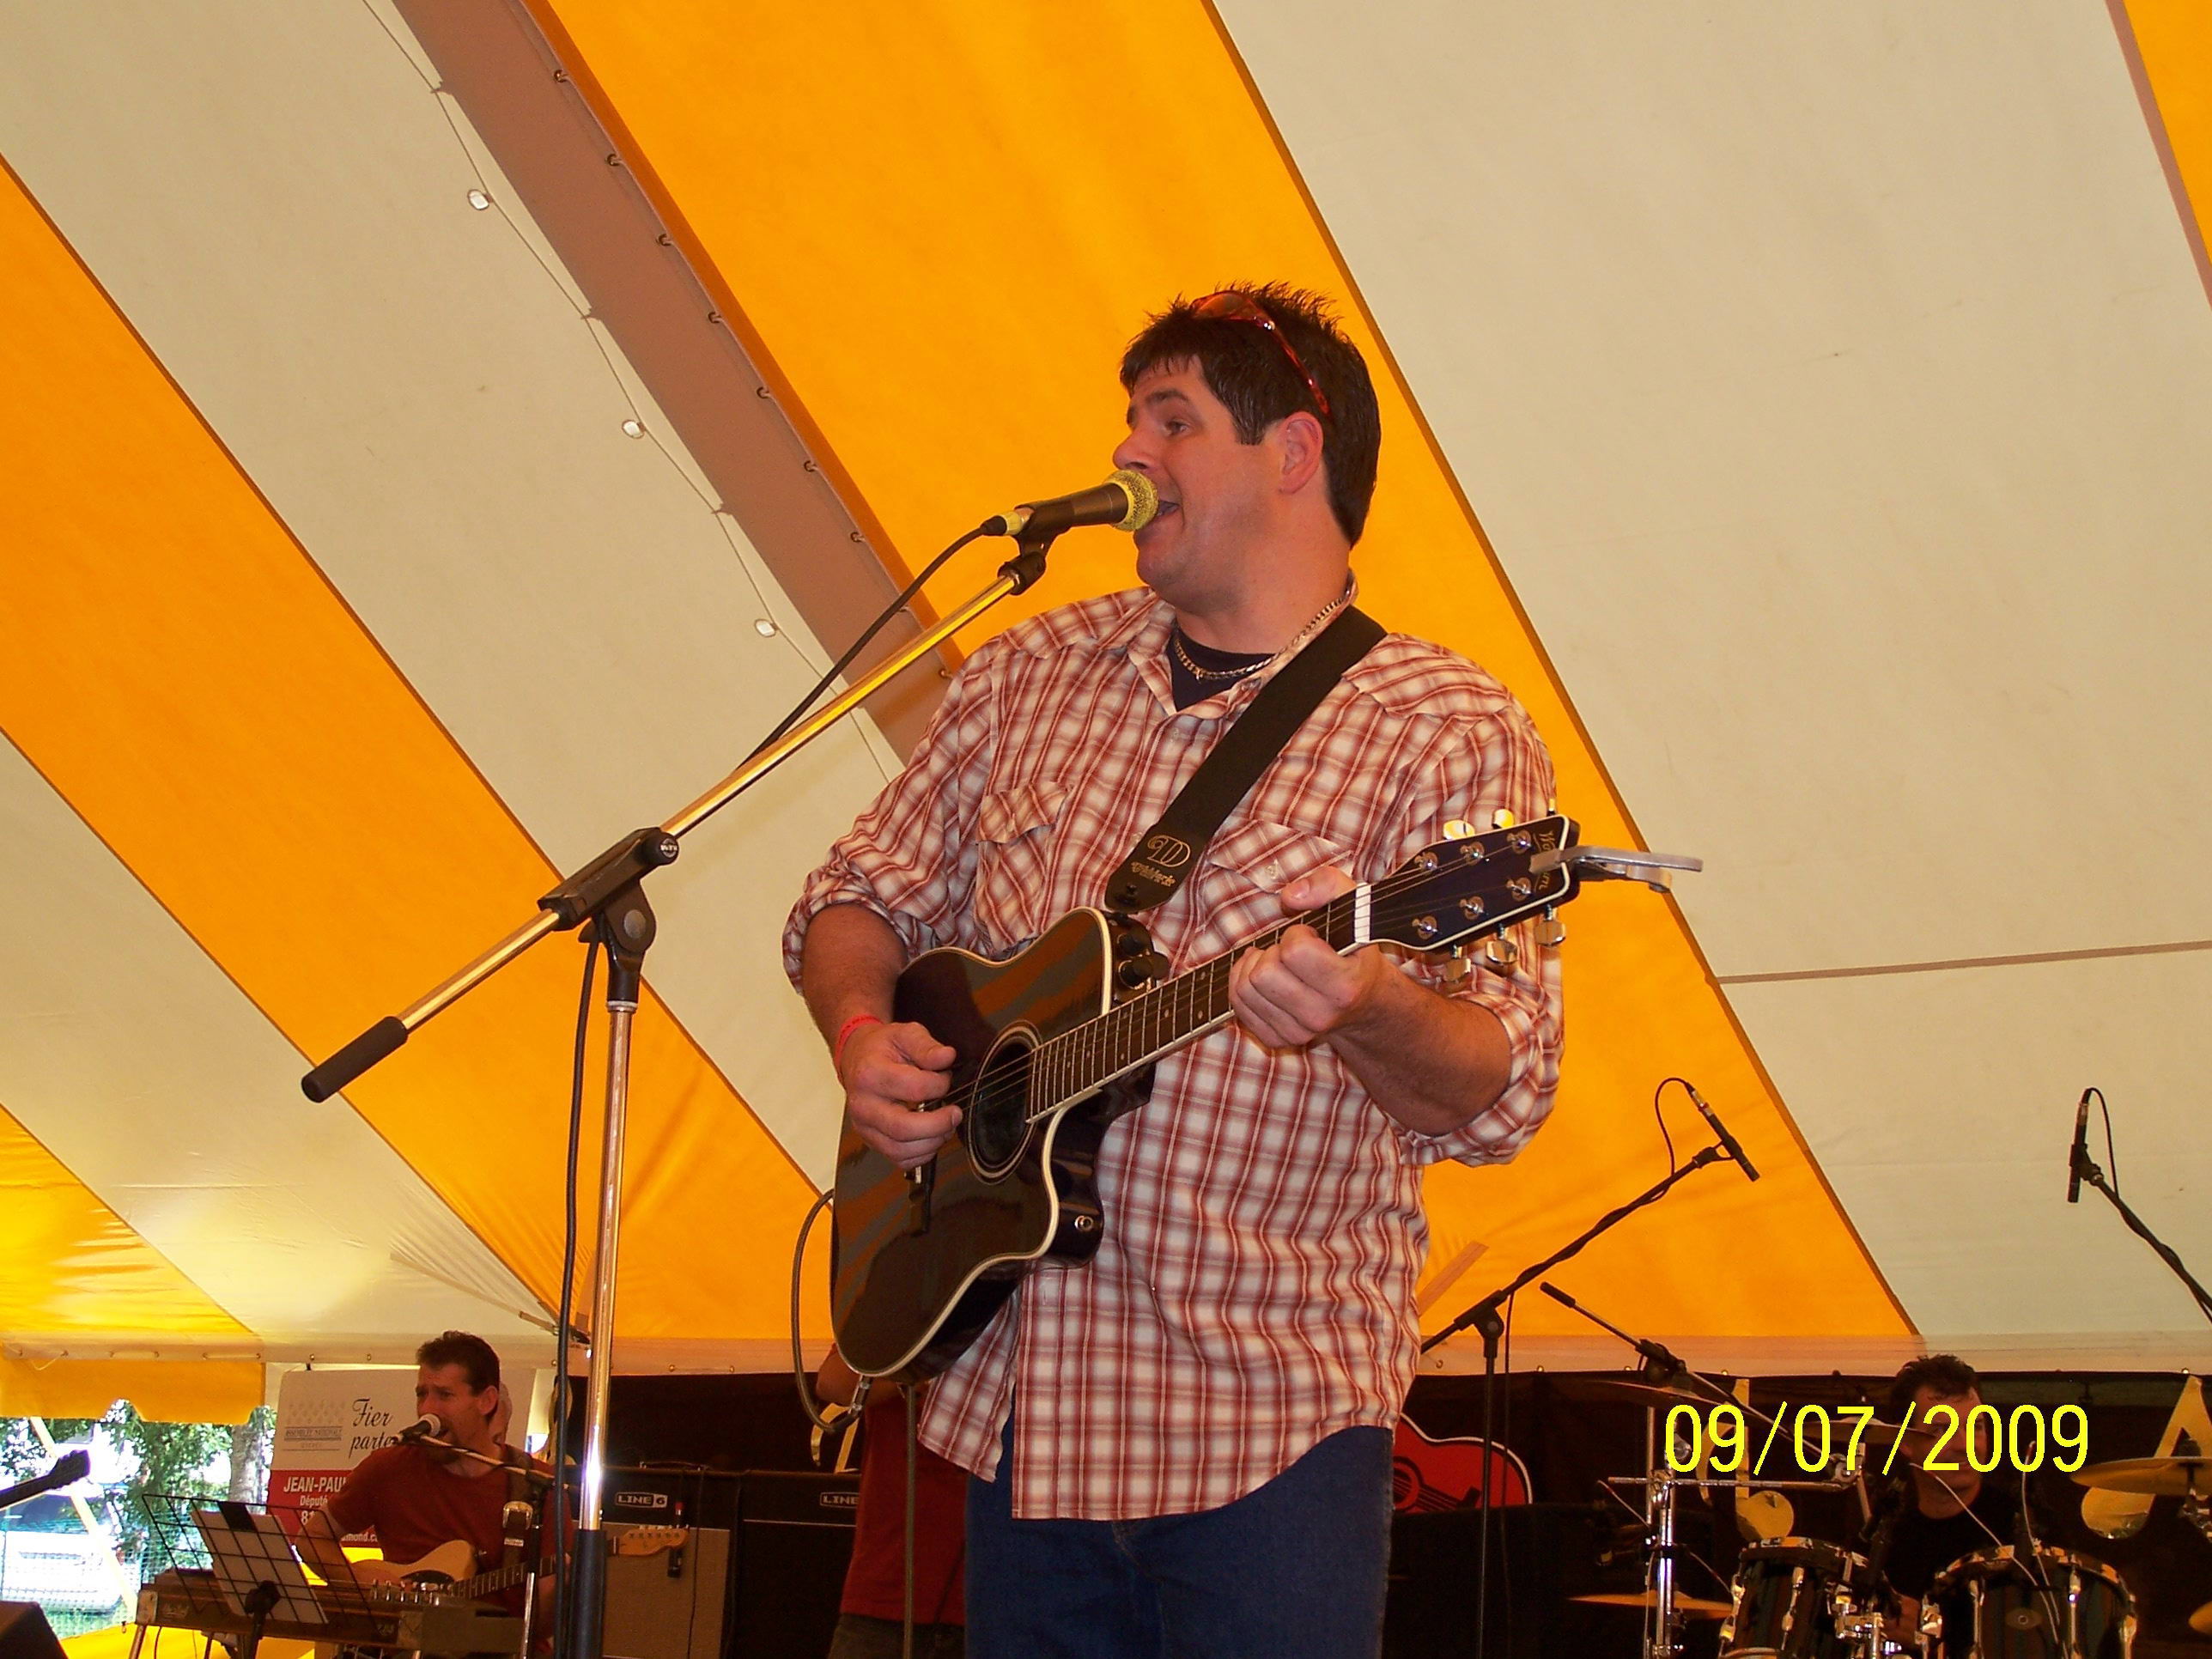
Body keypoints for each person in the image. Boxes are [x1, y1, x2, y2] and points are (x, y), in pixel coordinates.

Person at [783, 283, 1562, 1657]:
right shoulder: (1028, 673)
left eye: (1173, 420)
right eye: (1131, 419)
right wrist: (861, 1034)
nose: (1129, 453)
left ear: (1294, 451)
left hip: (1268, 1424)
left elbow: (1501, 1085)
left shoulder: (1444, 727)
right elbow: (852, 898)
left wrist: (1369, 1003)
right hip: (1020, 1415)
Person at [300, 1331, 547, 1609]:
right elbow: (312, 1538)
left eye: (444, 1395)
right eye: (422, 1394)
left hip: (497, 1636)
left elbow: (550, 1598)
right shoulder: (389, 1468)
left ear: (487, 1401)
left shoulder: (535, 1483)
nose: (427, 1409)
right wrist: (357, 1580)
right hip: (402, 1635)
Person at [1870, 1354, 2034, 1654]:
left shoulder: (2023, 1525)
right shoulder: (1885, 1535)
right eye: (1941, 1431)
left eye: (1976, 1427)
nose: (1964, 1445)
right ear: (1904, 1441)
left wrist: (1928, 1634)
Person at [816, 1352, 966, 1658]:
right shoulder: (899, 1326)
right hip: (888, 1584)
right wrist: (916, 1376)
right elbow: (833, 1382)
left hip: (996, 1597)